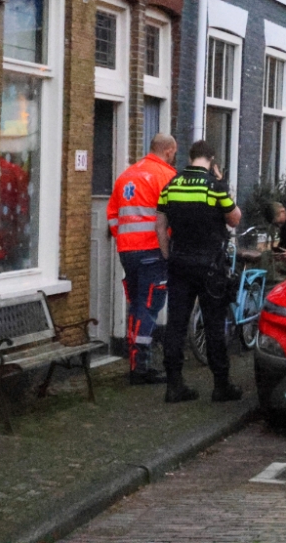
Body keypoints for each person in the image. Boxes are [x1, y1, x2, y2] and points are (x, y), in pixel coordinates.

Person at [156, 140, 243, 403]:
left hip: (179, 263)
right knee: (214, 325)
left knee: (176, 325)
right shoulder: (214, 187)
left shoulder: (171, 185)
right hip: (209, 267)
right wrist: (223, 183)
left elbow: (160, 226)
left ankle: (174, 386)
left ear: (190, 157)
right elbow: (235, 218)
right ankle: (221, 385)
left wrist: (168, 256)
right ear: (212, 159)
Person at [106, 134, 178, 385]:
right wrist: (168, 247)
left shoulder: (126, 175)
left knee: (137, 304)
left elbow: (113, 216)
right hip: (152, 252)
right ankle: (140, 369)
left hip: (127, 252)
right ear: (169, 151)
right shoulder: (166, 176)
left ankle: (136, 363)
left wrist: (124, 239)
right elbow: (171, 219)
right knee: (148, 307)